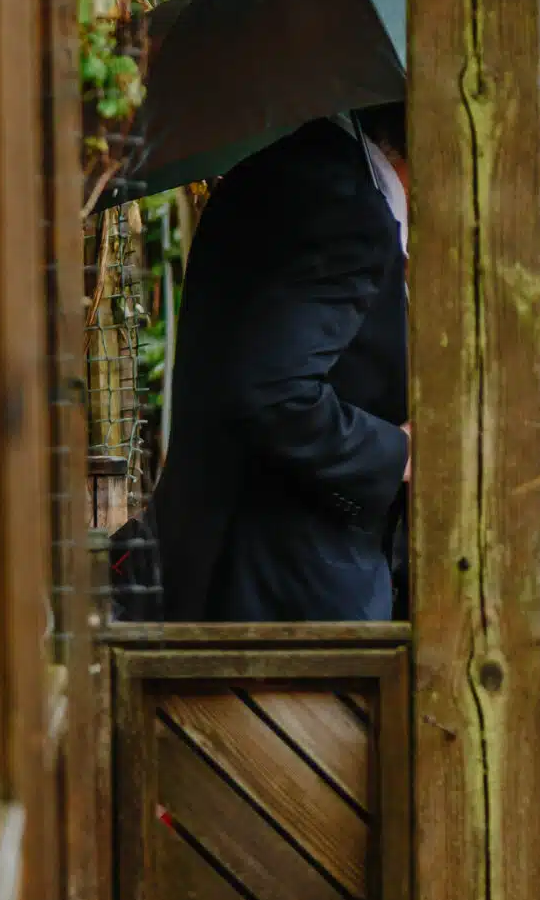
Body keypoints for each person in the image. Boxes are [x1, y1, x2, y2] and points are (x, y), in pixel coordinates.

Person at [148, 106, 411, 622]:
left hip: (238, 570)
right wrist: (399, 453)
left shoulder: (294, 174)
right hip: (284, 594)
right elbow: (272, 391)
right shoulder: (342, 203)